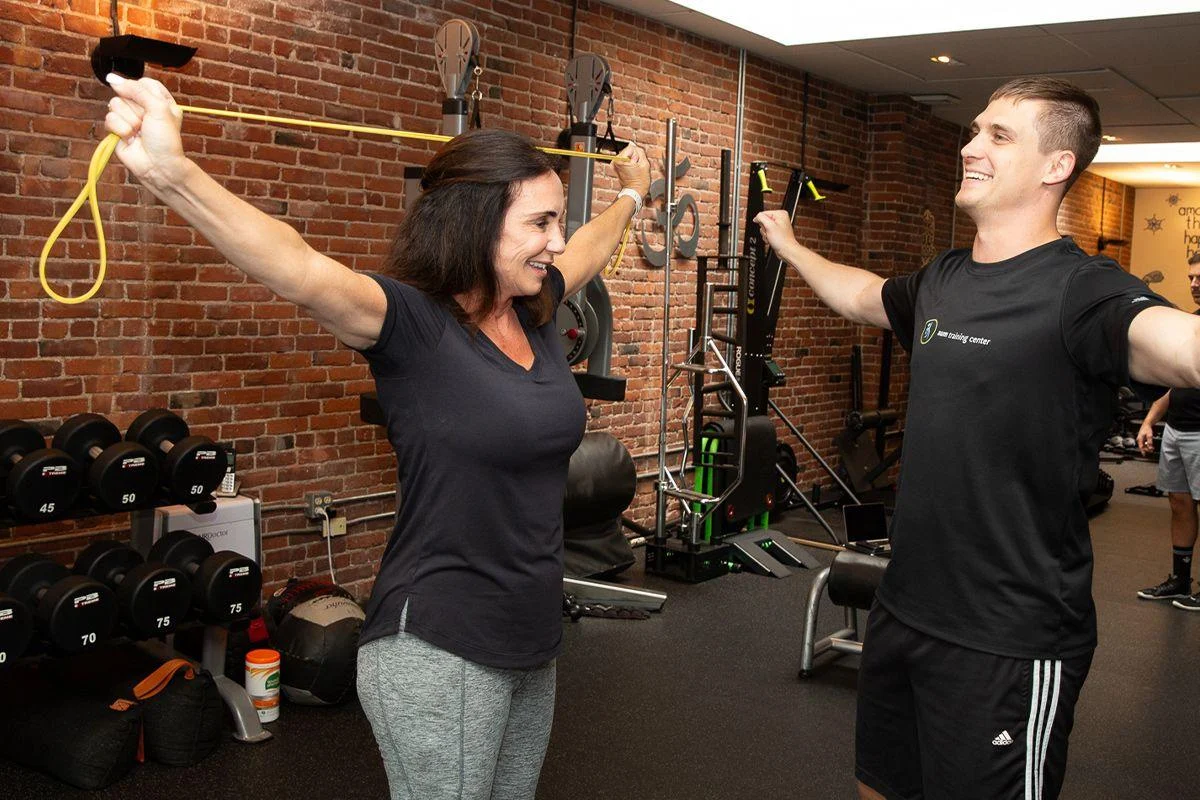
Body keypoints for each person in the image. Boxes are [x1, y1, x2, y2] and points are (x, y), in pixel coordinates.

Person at [102, 73, 651, 800]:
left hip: (531, 640)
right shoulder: (412, 327)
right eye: (539, 222)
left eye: (556, 223)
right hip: (439, 644)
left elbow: (588, 246)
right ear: (479, 222)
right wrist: (174, 175)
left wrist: (632, 194)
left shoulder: (538, 308)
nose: (554, 241)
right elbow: (297, 268)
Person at [756, 76, 1200, 800]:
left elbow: (1180, 345)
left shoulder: (1082, 291)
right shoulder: (944, 279)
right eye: (975, 130)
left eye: (999, 135)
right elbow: (862, 295)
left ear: (1056, 166)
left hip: (1010, 636)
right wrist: (791, 246)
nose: (970, 146)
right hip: (904, 609)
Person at [1136, 252, 1200, 609]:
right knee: (1179, 504)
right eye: (1191, 277)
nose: (1194, 283)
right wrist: (1150, 420)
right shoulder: (1191, 324)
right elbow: (1175, 386)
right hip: (1178, 430)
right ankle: (1179, 579)